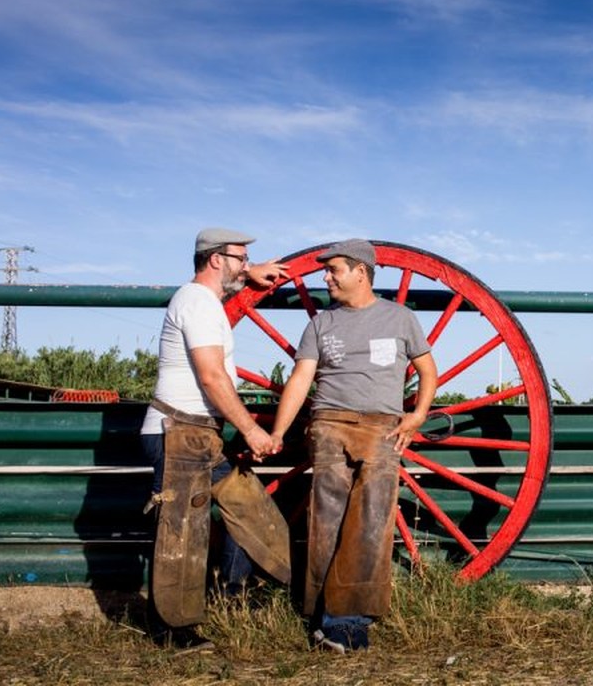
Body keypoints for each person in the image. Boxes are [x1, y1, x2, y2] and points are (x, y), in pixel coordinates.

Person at [270, 238, 438, 654]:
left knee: (371, 519)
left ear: (360, 271)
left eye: (334, 270)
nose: (327, 278)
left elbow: (428, 371)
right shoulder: (321, 325)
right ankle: (330, 618)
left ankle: (343, 620)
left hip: (383, 427)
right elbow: (300, 380)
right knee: (326, 517)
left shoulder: (400, 319)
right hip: (329, 422)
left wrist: (417, 416)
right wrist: (277, 432)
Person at [140, 227, 293, 651]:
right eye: (240, 258)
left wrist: (250, 273)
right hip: (177, 434)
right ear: (215, 260)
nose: (246, 265)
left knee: (249, 514)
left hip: (197, 436)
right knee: (180, 533)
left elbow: (231, 280)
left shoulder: (205, 299)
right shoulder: (198, 304)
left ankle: (231, 599)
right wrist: (249, 428)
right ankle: (170, 631)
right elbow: (211, 376)